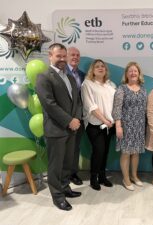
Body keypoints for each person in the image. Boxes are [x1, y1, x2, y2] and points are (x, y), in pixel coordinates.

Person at [36, 43, 82, 211]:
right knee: (55, 166)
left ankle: (65, 188)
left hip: (72, 128)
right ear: (50, 56)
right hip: (56, 129)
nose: (62, 59)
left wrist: (76, 118)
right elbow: (49, 104)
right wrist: (69, 120)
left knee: (67, 163)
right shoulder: (44, 77)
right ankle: (57, 196)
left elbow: (77, 100)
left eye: (64, 56)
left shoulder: (69, 77)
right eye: (59, 56)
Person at [81, 59, 116, 191]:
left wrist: (112, 120)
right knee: (98, 151)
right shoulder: (87, 84)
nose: (100, 68)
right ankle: (93, 178)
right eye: (97, 66)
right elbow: (91, 106)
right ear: (92, 70)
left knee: (105, 151)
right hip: (94, 124)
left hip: (109, 125)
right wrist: (104, 120)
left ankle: (102, 177)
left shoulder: (110, 85)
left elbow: (115, 104)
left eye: (103, 66)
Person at [112, 62, 147, 191]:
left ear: (139, 74)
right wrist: (118, 126)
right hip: (126, 126)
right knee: (126, 153)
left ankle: (134, 176)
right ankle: (126, 178)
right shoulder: (121, 89)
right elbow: (117, 108)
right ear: (126, 74)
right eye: (130, 71)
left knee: (136, 152)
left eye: (135, 71)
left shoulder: (143, 89)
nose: (133, 73)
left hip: (139, 126)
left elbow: (144, 108)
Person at [66, 46, 86, 185]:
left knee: (75, 147)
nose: (75, 57)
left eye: (77, 55)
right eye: (72, 54)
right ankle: (63, 175)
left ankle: (73, 173)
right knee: (64, 148)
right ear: (66, 56)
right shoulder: (61, 73)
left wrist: (79, 117)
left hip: (79, 118)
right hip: (64, 118)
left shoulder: (82, 75)